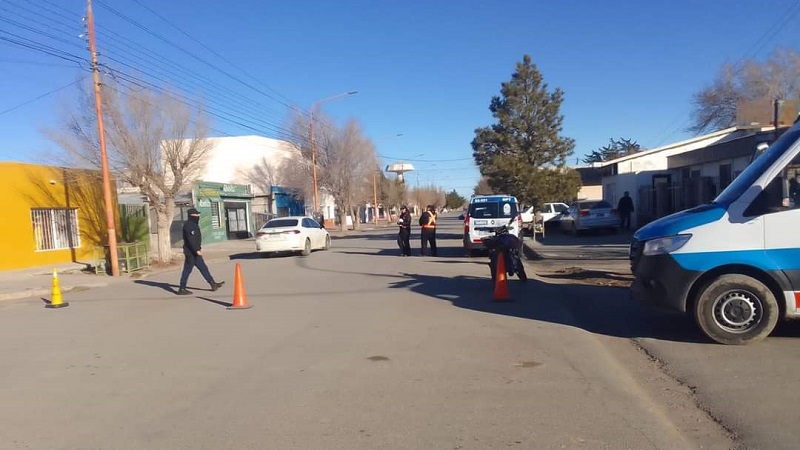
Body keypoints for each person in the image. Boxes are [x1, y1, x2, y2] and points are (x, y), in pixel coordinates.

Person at [177, 208, 225, 295]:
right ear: (192, 215)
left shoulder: (194, 224)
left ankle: (213, 284)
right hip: (191, 253)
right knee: (187, 270)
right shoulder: (189, 225)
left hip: (195, 252)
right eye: (196, 214)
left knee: (203, 268)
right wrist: (196, 250)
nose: (198, 216)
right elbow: (191, 239)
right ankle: (182, 288)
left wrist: (197, 249)